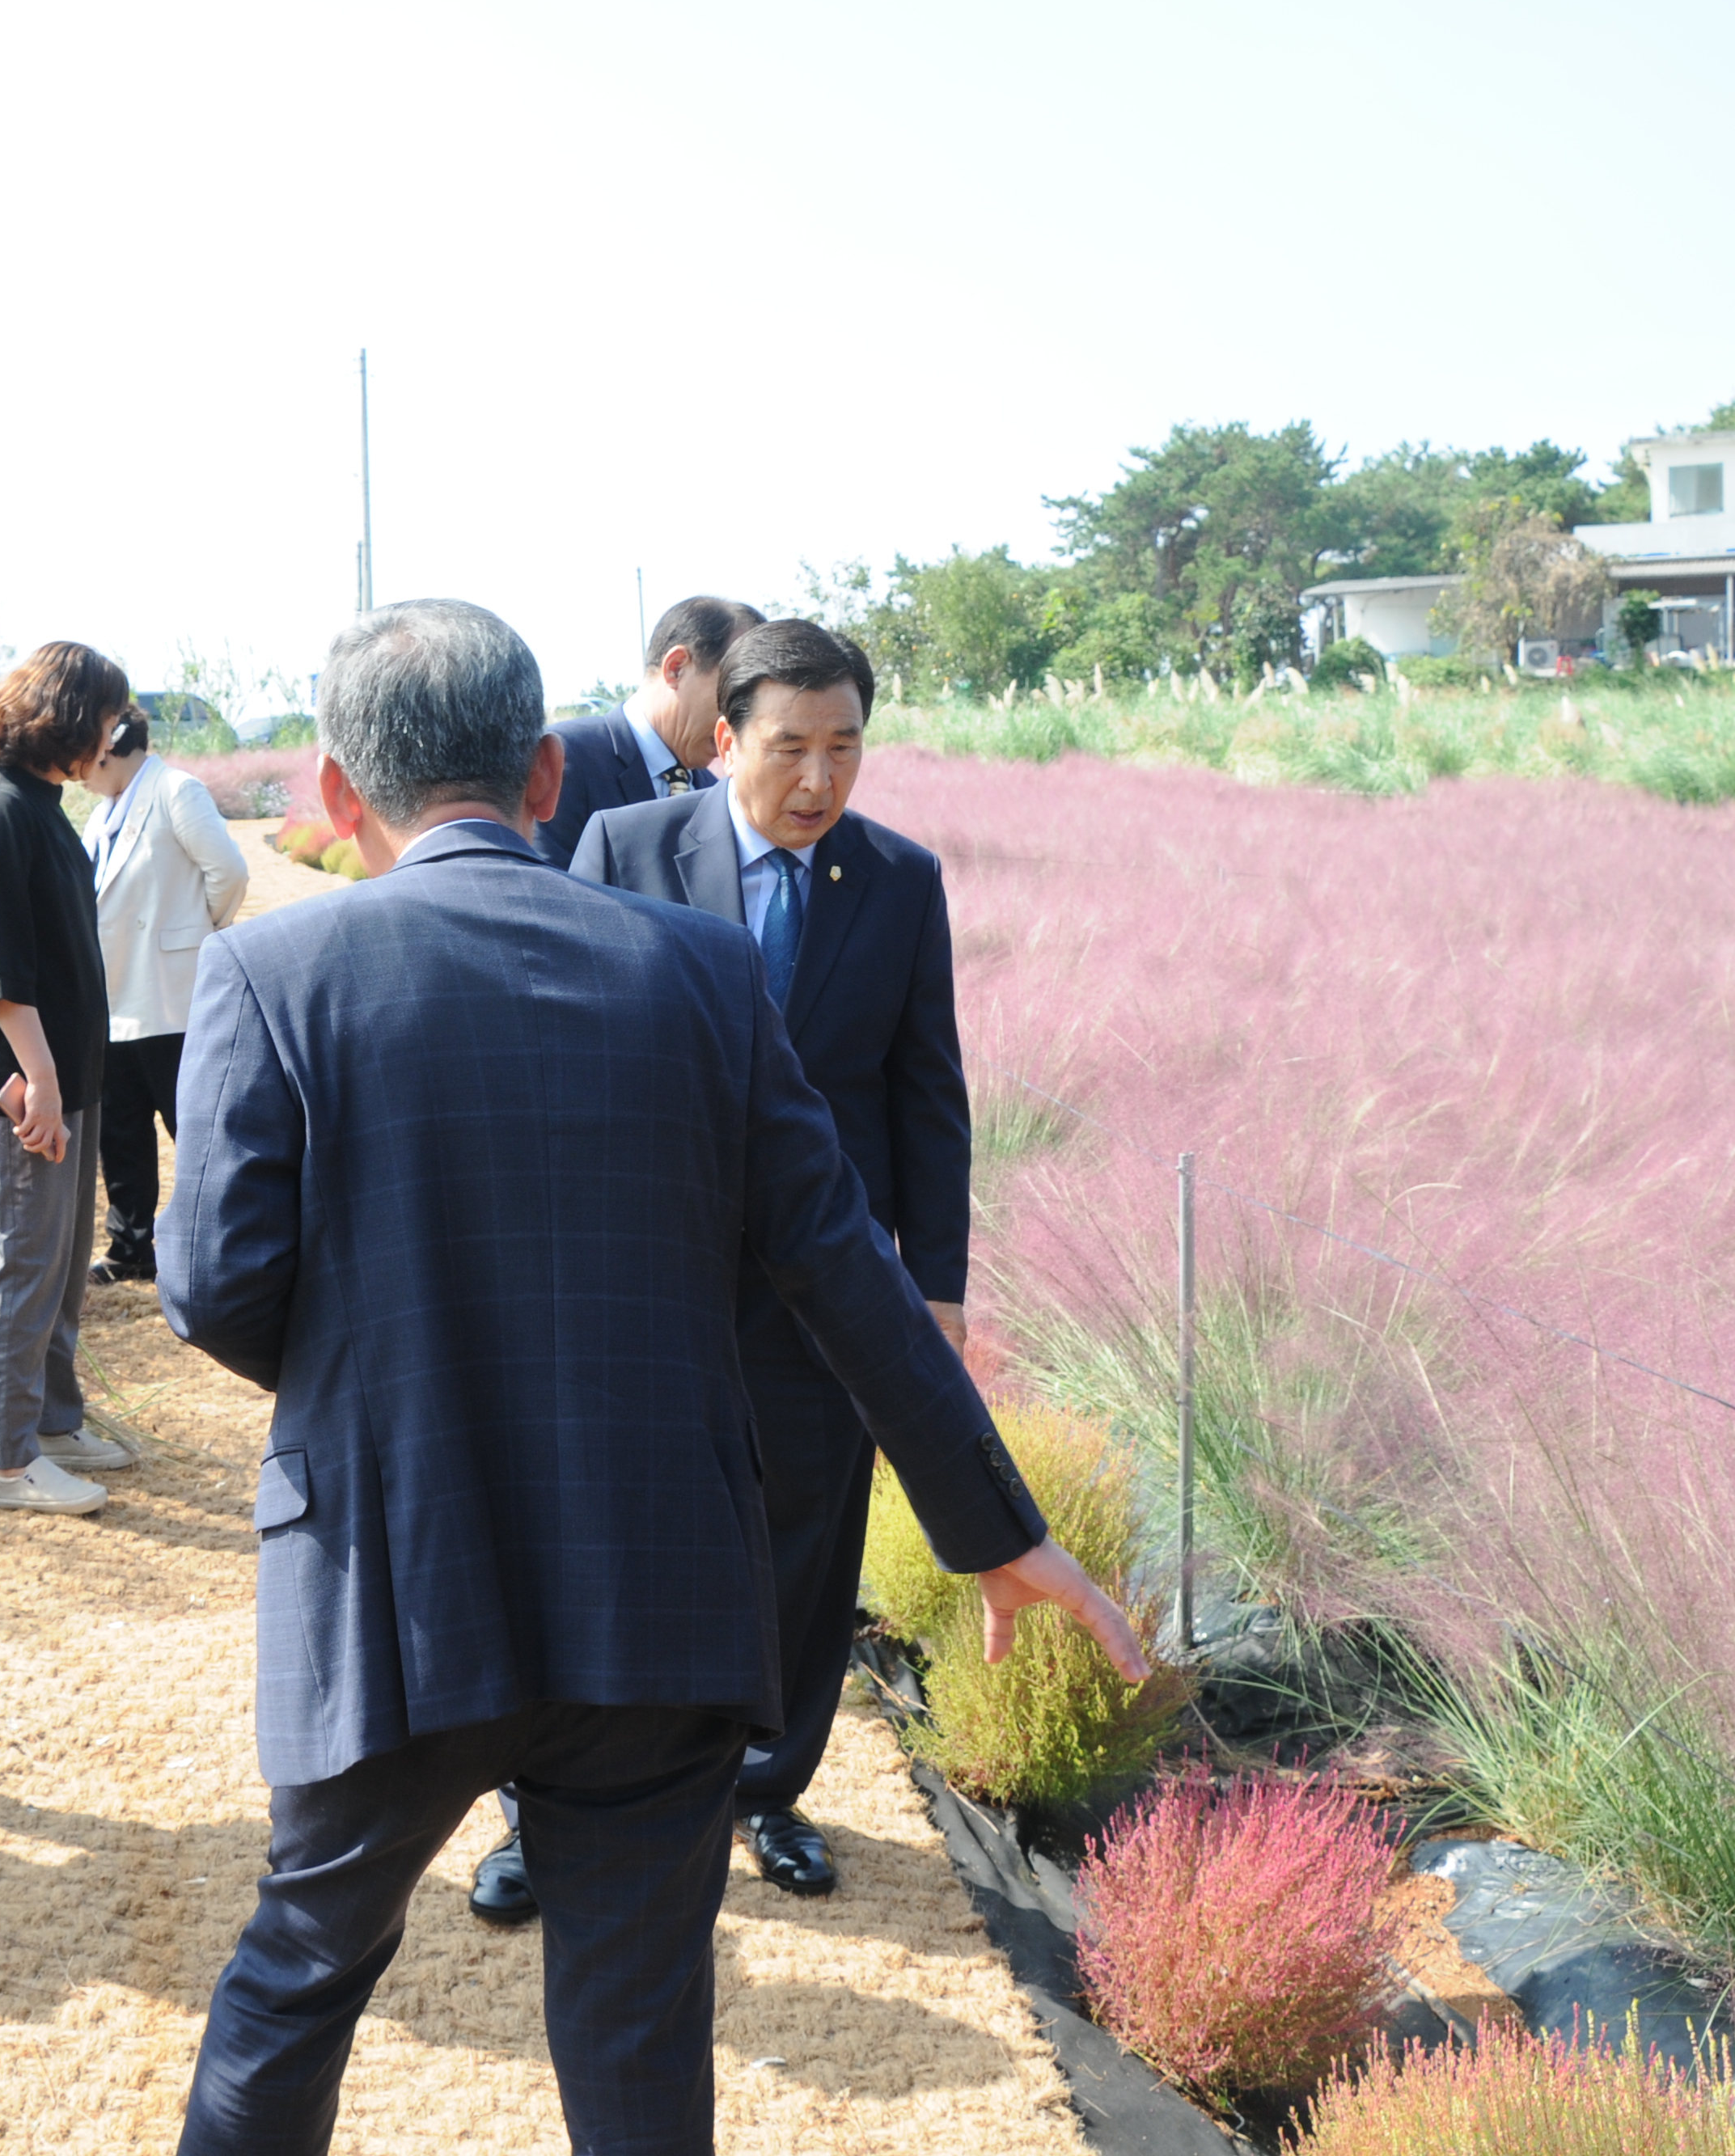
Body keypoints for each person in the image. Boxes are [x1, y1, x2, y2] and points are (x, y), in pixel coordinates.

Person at [161, 599, 1148, 2155]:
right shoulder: (699, 971)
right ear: (547, 775)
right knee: (635, 2022)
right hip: (661, 1585)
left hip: (389, 1580)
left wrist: (379, 1385)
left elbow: (212, 1286)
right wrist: (996, 1531)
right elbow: (848, 1275)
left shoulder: (274, 974)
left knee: (297, 1977)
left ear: (338, 796)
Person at [568, 616, 964, 1900]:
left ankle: (768, 1788)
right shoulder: (624, 849)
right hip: (651, 1271)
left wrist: (936, 1290)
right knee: (608, 1531)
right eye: (789, 748)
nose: (818, 781)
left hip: (821, 1288)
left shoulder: (899, 882)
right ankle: (549, 1806)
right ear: (724, 737)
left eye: (846, 748)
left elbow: (927, 1097)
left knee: (807, 1538)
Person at [0, 641, 142, 1512]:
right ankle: (13, 1461)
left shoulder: (40, 804)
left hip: (64, 1073)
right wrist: (42, 1083)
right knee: (25, 1264)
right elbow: (1, 977)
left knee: (62, 1268)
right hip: (21, 1082)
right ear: (64, 715)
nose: (113, 737)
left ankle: (56, 1423)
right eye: (106, 720)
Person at [83, 703, 251, 1285]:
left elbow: (229, 871)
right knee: (121, 1134)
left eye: (86, 752)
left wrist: (192, 933)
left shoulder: (176, 790)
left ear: (110, 746)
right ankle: (132, 1247)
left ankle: (225, 1241)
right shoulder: (99, 813)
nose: (79, 767)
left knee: (195, 1127)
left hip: (171, 994)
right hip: (113, 999)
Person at [531, 594, 758, 865]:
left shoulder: (712, 791)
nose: (740, 720)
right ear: (676, 668)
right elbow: (547, 893)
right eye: (735, 695)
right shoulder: (569, 761)